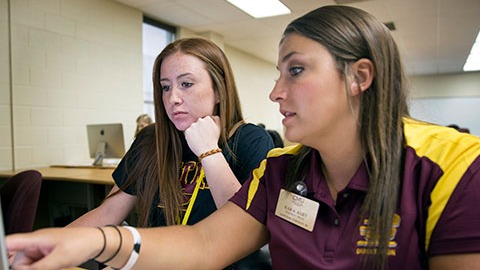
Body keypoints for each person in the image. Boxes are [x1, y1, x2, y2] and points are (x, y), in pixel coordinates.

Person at [7, 5, 480, 270]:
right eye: (165, 87)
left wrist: (209, 151)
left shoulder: (455, 168)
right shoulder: (283, 168)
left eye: (295, 71)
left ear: (359, 77)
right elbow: (204, 246)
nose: (275, 92)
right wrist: (90, 243)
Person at [48, 38, 273, 268]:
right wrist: (46, 247)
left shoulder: (250, 140)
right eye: (166, 87)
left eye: (186, 84)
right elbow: (109, 211)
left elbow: (244, 230)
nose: (172, 98)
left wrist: (209, 151)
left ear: (218, 90)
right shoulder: (151, 141)